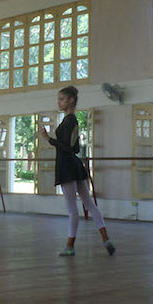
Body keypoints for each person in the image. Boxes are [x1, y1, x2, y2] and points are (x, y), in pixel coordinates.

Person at [39, 86, 114, 257]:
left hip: (67, 167)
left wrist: (48, 138)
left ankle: (70, 246)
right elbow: (76, 147)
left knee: (72, 209)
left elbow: (69, 148)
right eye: (58, 99)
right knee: (89, 203)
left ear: (71, 100)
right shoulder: (72, 121)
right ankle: (105, 238)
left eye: (62, 99)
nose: (59, 102)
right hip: (75, 166)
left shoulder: (69, 121)